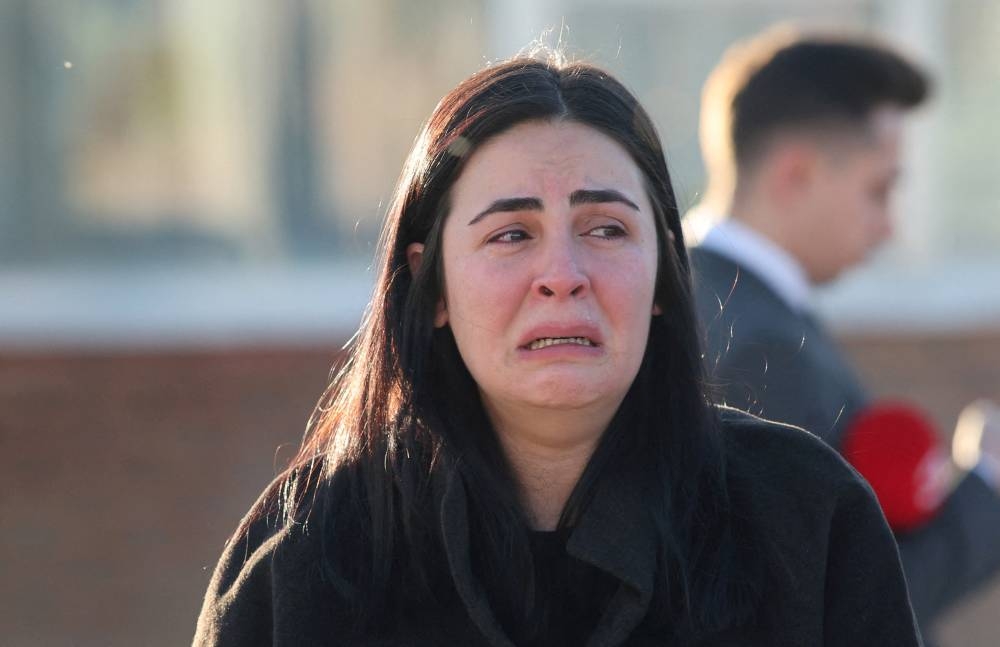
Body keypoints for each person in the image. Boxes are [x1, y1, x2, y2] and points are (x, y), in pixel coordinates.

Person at [193, 52, 920, 646]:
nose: (564, 277)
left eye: (606, 228)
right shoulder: (312, 553)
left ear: (665, 274)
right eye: (511, 234)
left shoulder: (805, 521)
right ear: (431, 283)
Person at [688, 28, 1000, 642]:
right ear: (796, 174)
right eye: (879, 190)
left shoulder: (696, 290)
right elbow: (839, 605)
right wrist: (987, 487)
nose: (889, 227)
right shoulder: (763, 346)